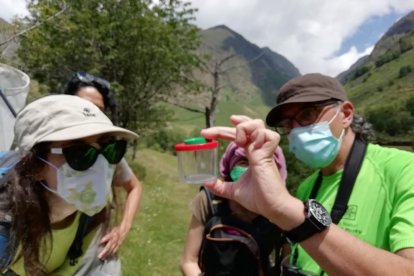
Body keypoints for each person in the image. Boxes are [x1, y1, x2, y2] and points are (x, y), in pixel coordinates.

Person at [199, 73, 414, 275]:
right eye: (286, 124)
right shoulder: (306, 187)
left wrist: (286, 210)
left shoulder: (404, 170)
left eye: (308, 115)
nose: (296, 131)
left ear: (346, 114)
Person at [4, 95, 138, 275]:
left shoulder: (90, 206)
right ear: (35, 166)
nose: (100, 163)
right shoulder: (6, 228)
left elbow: (70, 266)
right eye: (79, 154)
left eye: (109, 148)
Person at [63, 71, 143, 262]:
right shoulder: (50, 151)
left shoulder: (105, 154)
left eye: (99, 109)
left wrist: (123, 227)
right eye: (82, 106)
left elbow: (135, 187)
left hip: (96, 255)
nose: (91, 114)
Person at [180, 141, 288, 276]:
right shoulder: (209, 200)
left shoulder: (282, 209)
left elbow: (287, 264)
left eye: (261, 164)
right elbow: (188, 261)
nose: (251, 169)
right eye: (243, 161)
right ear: (230, 166)